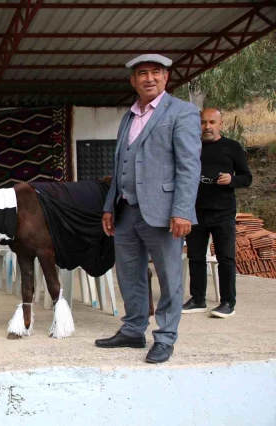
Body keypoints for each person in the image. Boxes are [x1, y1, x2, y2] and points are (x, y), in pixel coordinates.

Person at [96, 54, 202, 364]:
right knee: (129, 274)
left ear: (167, 78)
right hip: (126, 209)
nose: (149, 78)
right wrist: (108, 206)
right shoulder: (129, 116)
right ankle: (132, 330)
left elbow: (188, 165)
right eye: (142, 73)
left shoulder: (182, 112)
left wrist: (182, 210)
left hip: (164, 211)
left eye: (156, 72)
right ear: (133, 81)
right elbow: (120, 165)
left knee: (169, 276)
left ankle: (166, 337)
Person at [182, 108, 252, 318]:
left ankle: (228, 302)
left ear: (221, 124)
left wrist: (232, 180)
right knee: (195, 257)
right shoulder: (191, 147)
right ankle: (197, 299)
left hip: (223, 212)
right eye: (203, 122)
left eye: (212, 122)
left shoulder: (232, 147)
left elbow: (247, 178)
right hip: (195, 211)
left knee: (226, 258)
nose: (207, 127)